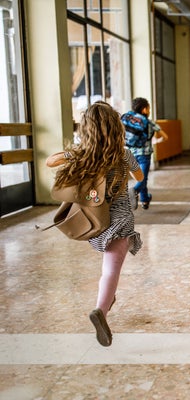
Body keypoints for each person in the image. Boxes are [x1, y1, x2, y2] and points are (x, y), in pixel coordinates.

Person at [46, 101, 144, 347]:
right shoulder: (123, 153)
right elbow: (139, 176)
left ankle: (106, 301)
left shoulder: (83, 154)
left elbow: (50, 161)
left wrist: (74, 153)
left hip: (96, 221)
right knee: (111, 271)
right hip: (120, 220)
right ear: (115, 128)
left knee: (107, 268)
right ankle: (101, 309)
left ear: (86, 129)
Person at [122, 97, 169, 210]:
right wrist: (156, 141)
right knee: (143, 178)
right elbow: (165, 136)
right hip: (144, 154)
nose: (149, 110)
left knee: (141, 177)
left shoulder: (128, 119)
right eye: (149, 108)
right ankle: (134, 191)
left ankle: (145, 200)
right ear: (144, 109)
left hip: (130, 153)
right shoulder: (148, 122)